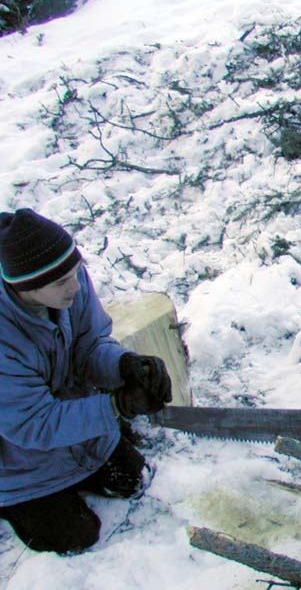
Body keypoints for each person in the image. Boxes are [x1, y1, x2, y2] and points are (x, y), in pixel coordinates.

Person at [0, 208, 172, 555]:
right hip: (16, 459)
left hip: (70, 425)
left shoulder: (66, 281)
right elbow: (33, 423)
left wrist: (124, 365)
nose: (76, 287)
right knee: (76, 537)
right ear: (26, 287)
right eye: (62, 282)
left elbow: (89, 344)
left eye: (76, 272)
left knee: (135, 481)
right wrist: (116, 407)